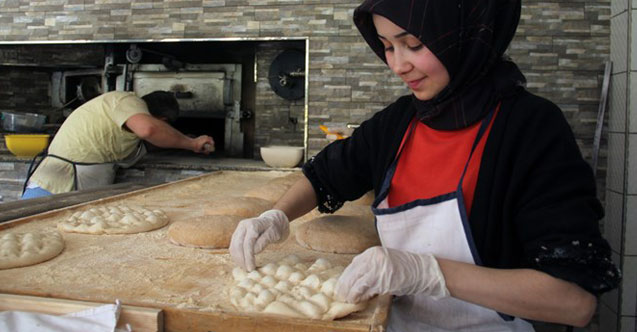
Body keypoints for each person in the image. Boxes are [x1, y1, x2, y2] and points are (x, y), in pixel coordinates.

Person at [229, 0, 621, 330]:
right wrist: (275, 216)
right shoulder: (401, 122)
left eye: (413, 44)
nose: (398, 66)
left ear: (465, 34)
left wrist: (427, 272)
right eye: (387, 46)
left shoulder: (530, 129)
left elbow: (574, 301)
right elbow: (326, 173)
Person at [22, 90, 214, 199]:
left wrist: (179, 139)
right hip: (54, 188)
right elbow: (149, 130)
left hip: (70, 190)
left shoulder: (124, 123)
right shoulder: (127, 100)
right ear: (161, 119)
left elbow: (149, 139)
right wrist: (192, 143)